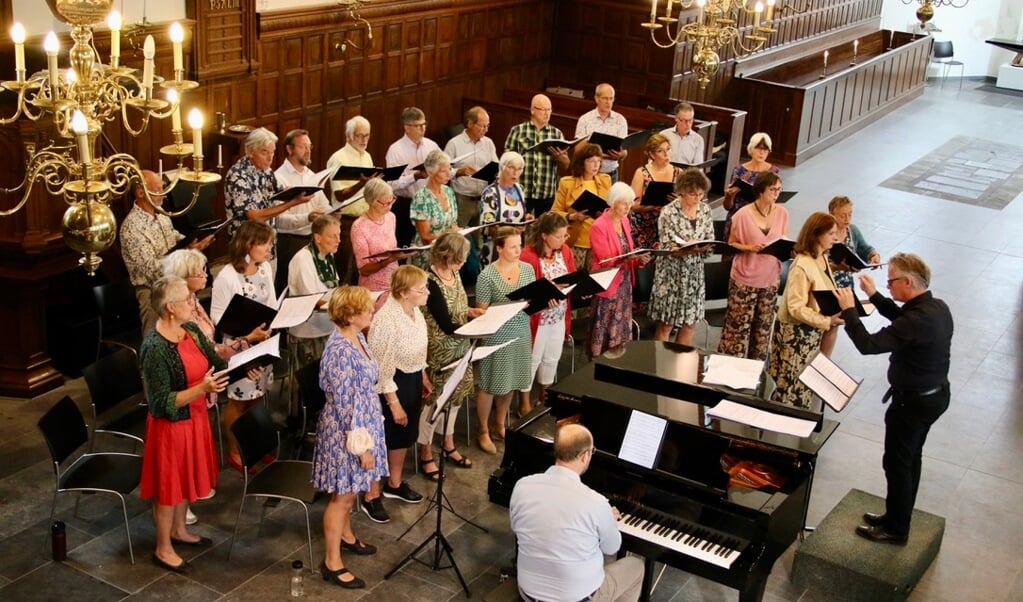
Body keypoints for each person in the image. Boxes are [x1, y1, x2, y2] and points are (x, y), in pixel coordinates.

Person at [836, 253, 952, 545]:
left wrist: (850, 311)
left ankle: (896, 529)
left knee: (897, 464)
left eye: (890, 281)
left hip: (911, 405)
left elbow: (868, 344)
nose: (888, 286)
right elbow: (902, 318)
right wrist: (873, 295)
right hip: (933, 396)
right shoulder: (936, 308)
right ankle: (897, 515)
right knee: (911, 459)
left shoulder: (916, 320)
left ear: (909, 282)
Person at [139, 277, 228, 573]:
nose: (193, 302)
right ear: (170, 308)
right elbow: (160, 402)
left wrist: (246, 368)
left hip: (196, 416)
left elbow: (215, 361)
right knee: (169, 486)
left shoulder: (189, 330)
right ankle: (163, 547)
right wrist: (200, 390)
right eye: (186, 299)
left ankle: (179, 530)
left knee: (185, 478)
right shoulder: (155, 347)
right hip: (171, 426)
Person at [510, 423, 643, 602]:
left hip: (529, 591)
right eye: (592, 451)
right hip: (578, 598)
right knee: (635, 567)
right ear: (584, 455)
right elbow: (612, 548)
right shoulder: (596, 503)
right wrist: (607, 519)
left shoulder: (523, 486)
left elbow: (517, 527)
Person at [312, 286, 387, 588]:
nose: (372, 310)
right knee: (342, 497)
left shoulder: (357, 336)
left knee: (350, 491)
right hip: (347, 432)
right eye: (367, 308)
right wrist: (361, 448)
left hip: (363, 422)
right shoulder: (340, 351)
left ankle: (346, 536)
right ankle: (332, 562)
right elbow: (344, 406)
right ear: (351, 315)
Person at [366, 265, 432, 518]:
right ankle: (371, 494)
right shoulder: (386, 320)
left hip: (412, 378)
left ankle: (394, 483)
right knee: (383, 438)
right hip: (390, 385)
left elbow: (419, 347)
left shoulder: (415, 310)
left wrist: (422, 374)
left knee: (404, 435)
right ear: (404, 293)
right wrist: (393, 403)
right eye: (421, 289)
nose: (427, 292)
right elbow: (382, 368)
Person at [210, 221, 276, 472]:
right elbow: (217, 316)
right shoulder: (227, 276)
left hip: (261, 339)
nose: (269, 248)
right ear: (249, 245)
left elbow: (270, 299)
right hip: (238, 343)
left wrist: (269, 326)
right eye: (265, 243)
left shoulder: (265, 269)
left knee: (258, 396)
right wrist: (248, 334)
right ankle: (236, 451)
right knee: (239, 400)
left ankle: (257, 444)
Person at [419, 233, 482, 476]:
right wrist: (475, 328)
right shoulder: (430, 281)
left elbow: (457, 306)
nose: (464, 262)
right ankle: (425, 451)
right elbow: (445, 323)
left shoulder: (454, 274)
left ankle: (447, 443)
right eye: (460, 258)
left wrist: (471, 311)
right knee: (434, 401)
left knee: (455, 398)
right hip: (439, 349)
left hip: (460, 346)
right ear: (447, 256)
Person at [120, 170, 213, 333]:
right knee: (162, 344)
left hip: (178, 284)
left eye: (164, 188)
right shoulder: (131, 228)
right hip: (154, 293)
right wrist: (185, 253)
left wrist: (193, 244)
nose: (164, 195)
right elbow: (151, 269)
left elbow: (173, 237)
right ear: (141, 193)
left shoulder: (162, 215)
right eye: (158, 190)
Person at [768, 212, 842, 408]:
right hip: (795, 336)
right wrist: (826, 322)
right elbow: (795, 307)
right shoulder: (802, 265)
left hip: (812, 333)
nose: (836, 238)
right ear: (816, 234)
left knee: (806, 384)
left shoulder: (822, 258)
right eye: (831, 233)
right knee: (790, 389)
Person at [474, 227, 536, 454]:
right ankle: (482, 429)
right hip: (496, 334)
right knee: (489, 384)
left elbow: (532, 300)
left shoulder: (528, 270)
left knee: (509, 381)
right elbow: (481, 311)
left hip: (521, 330)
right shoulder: (487, 276)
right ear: (499, 248)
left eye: (520, 245)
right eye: (513, 246)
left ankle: (499, 422)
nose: (518, 250)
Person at [717, 172, 789, 361]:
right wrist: (750, 248)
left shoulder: (782, 213)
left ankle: (756, 374)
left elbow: (784, 239)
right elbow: (731, 243)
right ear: (760, 191)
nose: (776, 193)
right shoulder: (741, 215)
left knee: (762, 330)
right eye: (773, 189)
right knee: (738, 330)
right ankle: (731, 373)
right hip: (745, 278)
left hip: (770, 278)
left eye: (779, 189)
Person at [648, 168, 714, 345]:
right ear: (681, 191)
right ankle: (659, 367)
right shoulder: (668, 212)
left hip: (694, 276)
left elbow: (710, 240)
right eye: (693, 194)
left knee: (690, 324)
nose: (697, 198)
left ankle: (679, 368)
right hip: (671, 275)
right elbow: (668, 247)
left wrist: (704, 247)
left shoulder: (705, 210)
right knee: (666, 325)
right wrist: (689, 248)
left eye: (701, 194)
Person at [520, 212, 576, 405]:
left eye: (564, 236)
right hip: (538, 317)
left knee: (551, 358)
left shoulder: (565, 251)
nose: (563, 240)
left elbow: (572, 277)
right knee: (532, 360)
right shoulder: (528, 256)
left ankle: (544, 398)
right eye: (558, 236)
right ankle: (524, 402)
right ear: (544, 235)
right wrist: (545, 297)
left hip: (558, 315)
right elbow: (526, 289)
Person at [587, 182, 649, 358]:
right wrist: (628, 258)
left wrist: (639, 260)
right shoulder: (599, 226)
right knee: (605, 328)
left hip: (624, 284)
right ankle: (597, 362)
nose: (628, 207)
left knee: (619, 332)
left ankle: (616, 363)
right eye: (624, 203)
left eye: (630, 203)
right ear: (613, 203)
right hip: (607, 284)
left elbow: (629, 251)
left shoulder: (625, 221)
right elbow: (605, 260)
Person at [224, 127, 312, 241]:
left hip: (268, 240)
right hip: (247, 243)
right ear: (250, 151)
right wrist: (292, 203)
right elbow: (254, 216)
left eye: (273, 152)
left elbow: (279, 192)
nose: (270, 158)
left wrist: (297, 192)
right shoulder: (238, 175)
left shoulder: (266, 170)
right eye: (265, 152)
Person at [822, 196, 882, 357]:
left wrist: (873, 256)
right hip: (825, 284)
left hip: (845, 286)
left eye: (850, 214)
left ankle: (825, 360)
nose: (847, 218)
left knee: (834, 325)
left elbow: (864, 247)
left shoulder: (852, 231)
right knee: (821, 322)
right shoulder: (824, 232)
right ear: (831, 214)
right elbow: (816, 261)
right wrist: (836, 267)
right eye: (842, 215)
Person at [274, 129, 333, 293]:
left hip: (311, 239)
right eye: (303, 147)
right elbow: (279, 219)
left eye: (309, 146)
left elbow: (324, 204)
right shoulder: (279, 178)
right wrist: (307, 217)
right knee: (287, 287)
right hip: (289, 241)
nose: (308, 151)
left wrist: (333, 211)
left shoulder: (312, 176)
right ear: (289, 149)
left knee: (312, 287)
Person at [325, 116, 379, 283]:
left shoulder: (367, 156)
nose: (364, 140)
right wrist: (360, 184)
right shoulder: (339, 158)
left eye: (367, 135)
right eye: (359, 135)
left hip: (365, 218)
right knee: (344, 269)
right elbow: (340, 194)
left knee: (362, 268)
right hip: (346, 222)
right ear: (348, 136)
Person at [503, 93, 571, 215]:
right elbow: (506, 160)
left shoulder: (557, 134)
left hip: (546, 193)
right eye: (543, 109)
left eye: (549, 109)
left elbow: (566, 165)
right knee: (519, 229)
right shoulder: (518, 131)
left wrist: (560, 158)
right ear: (533, 110)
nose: (547, 113)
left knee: (544, 231)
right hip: (522, 190)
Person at [550, 143, 613, 273]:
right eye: (591, 161)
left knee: (593, 281)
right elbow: (554, 213)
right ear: (581, 162)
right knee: (573, 279)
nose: (596, 165)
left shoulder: (605, 180)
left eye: (598, 161)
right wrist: (572, 216)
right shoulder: (567, 183)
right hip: (575, 240)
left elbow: (611, 209)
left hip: (598, 240)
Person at [386, 107, 440, 247]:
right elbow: (392, 185)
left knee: (428, 243)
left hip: (429, 201)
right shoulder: (395, 150)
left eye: (424, 124)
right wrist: (414, 176)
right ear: (407, 127)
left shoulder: (431, 145)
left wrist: (455, 171)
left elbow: (442, 166)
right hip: (406, 204)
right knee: (405, 245)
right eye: (418, 126)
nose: (423, 129)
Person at [351, 179, 411, 302]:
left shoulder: (390, 217)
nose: (389, 207)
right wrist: (390, 260)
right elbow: (363, 269)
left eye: (392, 201)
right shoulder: (359, 226)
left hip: (394, 282)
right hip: (373, 288)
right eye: (385, 203)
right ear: (372, 201)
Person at [444, 106, 498, 232]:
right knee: (459, 238)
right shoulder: (454, 144)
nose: (486, 130)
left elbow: (496, 165)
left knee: (478, 240)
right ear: (470, 124)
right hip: (462, 200)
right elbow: (443, 171)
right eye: (482, 126)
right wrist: (459, 172)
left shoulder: (488, 143)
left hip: (482, 199)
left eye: (487, 126)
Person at [479, 151, 532, 268]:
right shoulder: (490, 193)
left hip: (515, 246)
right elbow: (487, 228)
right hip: (496, 249)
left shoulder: (519, 189)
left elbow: (518, 213)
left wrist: (526, 218)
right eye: (512, 168)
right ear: (502, 167)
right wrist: (511, 230)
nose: (515, 173)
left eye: (519, 169)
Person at [722, 132, 780, 241]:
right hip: (739, 215)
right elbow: (728, 207)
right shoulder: (739, 170)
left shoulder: (773, 172)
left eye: (765, 149)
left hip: (761, 217)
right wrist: (729, 196)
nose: (762, 152)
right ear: (751, 149)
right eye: (758, 148)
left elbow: (774, 201)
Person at [629, 133, 681, 251]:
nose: (666, 154)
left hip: (669, 227)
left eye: (668, 149)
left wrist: (677, 201)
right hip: (645, 227)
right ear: (652, 154)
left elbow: (686, 204)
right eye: (660, 151)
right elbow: (633, 205)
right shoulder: (641, 172)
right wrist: (653, 205)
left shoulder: (679, 172)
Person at [410, 149, 459, 268]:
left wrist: (458, 232)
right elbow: (425, 237)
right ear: (431, 172)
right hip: (428, 256)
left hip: (449, 254)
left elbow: (453, 224)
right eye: (443, 171)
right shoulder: (421, 198)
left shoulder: (449, 192)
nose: (448, 174)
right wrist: (450, 235)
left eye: (449, 169)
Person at [574, 83, 628, 181]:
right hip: (588, 175)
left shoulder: (620, 120)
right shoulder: (585, 119)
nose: (608, 102)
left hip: (610, 175)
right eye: (605, 98)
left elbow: (624, 152)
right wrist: (600, 154)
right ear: (596, 99)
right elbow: (577, 150)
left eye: (611, 99)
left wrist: (620, 155)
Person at [288, 214, 341, 299]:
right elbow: (310, 298)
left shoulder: (329, 255)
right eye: (332, 236)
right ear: (318, 238)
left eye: (339, 235)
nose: (338, 240)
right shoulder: (303, 259)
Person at [660, 101, 705, 166]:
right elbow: (653, 161)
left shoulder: (698, 140)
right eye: (684, 120)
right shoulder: (663, 135)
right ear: (676, 119)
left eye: (690, 120)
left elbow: (698, 168)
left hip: (686, 175)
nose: (688, 124)